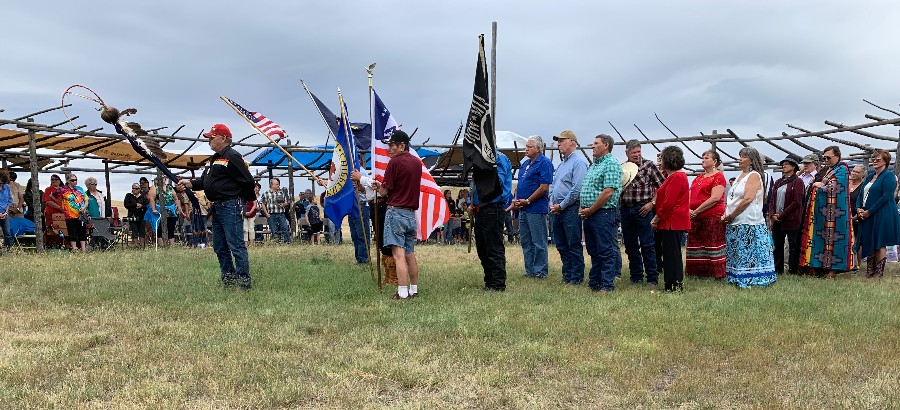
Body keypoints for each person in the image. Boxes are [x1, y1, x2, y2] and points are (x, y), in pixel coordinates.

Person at [178, 123, 256, 290]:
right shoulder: (213, 159)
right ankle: (229, 280)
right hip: (218, 207)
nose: (209, 141)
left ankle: (244, 284)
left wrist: (240, 198)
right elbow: (205, 182)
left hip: (230, 205)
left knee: (236, 245)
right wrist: (190, 183)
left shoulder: (232, 156)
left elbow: (248, 180)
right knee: (220, 246)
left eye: (212, 138)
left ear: (224, 138)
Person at [373, 130, 422, 300]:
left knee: (398, 254)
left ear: (402, 145)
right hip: (410, 213)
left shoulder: (394, 163)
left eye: (392, 145)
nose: (389, 149)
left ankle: (402, 292)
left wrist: (375, 185)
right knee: (410, 254)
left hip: (396, 211)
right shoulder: (417, 163)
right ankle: (414, 289)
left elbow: (385, 191)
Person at [722, 147, 776, 288]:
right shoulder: (740, 177)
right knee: (737, 251)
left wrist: (732, 214)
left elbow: (748, 199)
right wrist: (727, 214)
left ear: (751, 160)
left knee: (749, 251)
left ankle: (752, 278)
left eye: (743, 156)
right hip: (735, 221)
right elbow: (732, 199)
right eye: (739, 156)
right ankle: (736, 276)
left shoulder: (754, 175)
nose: (739, 159)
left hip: (748, 221)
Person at [799, 146, 853, 278]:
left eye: (829, 157)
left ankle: (833, 270)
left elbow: (835, 186)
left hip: (837, 214)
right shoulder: (828, 170)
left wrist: (820, 186)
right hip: (823, 213)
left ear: (837, 157)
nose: (826, 160)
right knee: (820, 241)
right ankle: (819, 267)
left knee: (837, 242)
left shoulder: (842, 169)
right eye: (824, 158)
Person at [579, 134, 622, 294]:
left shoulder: (611, 164)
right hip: (589, 213)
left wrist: (590, 209)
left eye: (596, 143)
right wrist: (584, 207)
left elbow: (608, 193)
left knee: (605, 250)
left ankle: (606, 285)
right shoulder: (594, 166)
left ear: (606, 145)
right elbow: (589, 189)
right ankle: (595, 282)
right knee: (593, 250)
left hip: (602, 213)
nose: (592, 146)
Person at [619, 139, 665, 287]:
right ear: (627, 153)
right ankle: (636, 276)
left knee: (647, 245)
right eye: (634, 152)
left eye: (639, 152)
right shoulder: (622, 168)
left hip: (643, 209)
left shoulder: (649, 165)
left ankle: (652, 278)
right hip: (625, 209)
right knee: (631, 246)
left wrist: (652, 203)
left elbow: (663, 187)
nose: (637, 155)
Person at [549, 130, 589, 285]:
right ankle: (567, 274)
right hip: (557, 209)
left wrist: (561, 205)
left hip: (570, 208)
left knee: (573, 243)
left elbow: (577, 189)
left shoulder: (579, 162)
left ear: (572, 142)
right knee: (561, 244)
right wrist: (552, 203)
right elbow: (554, 186)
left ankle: (576, 277)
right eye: (558, 141)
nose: (559, 143)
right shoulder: (562, 164)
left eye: (562, 140)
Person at [470, 151, 513, 291]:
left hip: (493, 207)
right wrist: (473, 203)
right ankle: (489, 281)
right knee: (482, 249)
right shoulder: (480, 159)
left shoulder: (498, 159)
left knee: (493, 248)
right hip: (481, 209)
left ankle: (498, 283)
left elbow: (495, 184)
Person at [513, 135, 554, 279]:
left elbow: (544, 187)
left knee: (538, 240)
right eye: (526, 147)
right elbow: (520, 183)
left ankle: (540, 271)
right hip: (523, 208)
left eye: (529, 147)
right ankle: (529, 270)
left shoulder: (544, 163)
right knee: (526, 240)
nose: (526, 149)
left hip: (536, 208)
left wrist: (528, 201)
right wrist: (516, 199)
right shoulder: (525, 164)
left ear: (538, 148)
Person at [856, 150, 900, 278]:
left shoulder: (889, 176)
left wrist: (869, 211)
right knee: (870, 239)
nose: (874, 161)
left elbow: (886, 197)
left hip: (883, 213)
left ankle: (878, 272)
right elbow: (861, 193)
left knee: (880, 242)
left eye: (877, 159)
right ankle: (870, 271)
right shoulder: (870, 176)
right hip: (867, 212)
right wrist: (859, 208)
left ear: (885, 162)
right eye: (873, 159)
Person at [651, 146, 690, 292]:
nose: (660, 160)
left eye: (662, 157)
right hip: (671, 221)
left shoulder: (676, 177)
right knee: (670, 253)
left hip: (672, 221)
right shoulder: (674, 176)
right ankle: (671, 283)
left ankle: (674, 285)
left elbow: (668, 202)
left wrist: (656, 218)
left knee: (672, 254)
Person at [685, 150, 727, 279]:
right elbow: (688, 196)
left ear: (714, 162)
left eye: (707, 158)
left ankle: (715, 273)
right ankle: (696, 273)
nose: (703, 160)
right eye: (702, 157)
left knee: (711, 244)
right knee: (695, 245)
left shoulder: (718, 176)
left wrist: (697, 211)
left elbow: (715, 198)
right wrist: (688, 210)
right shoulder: (698, 177)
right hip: (695, 218)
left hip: (711, 217)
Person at [767, 154, 806, 275]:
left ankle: (792, 269)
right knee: (777, 245)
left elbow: (797, 202)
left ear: (794, 166)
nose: (784, 166)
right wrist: (772, 214)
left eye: (787, 164)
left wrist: (782, 215)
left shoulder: (798, 182)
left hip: (791, 219)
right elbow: (772, 199)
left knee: (793, 245)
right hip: (777, 218)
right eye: (783, 164)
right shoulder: (778, 182)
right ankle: (778, 269)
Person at [52, 173, 89, 252]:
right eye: (72, 180)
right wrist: (62, 202)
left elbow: (86, 200)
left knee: (82, 231)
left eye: (76, 180)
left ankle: (83, 249)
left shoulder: (80, 189)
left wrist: (84, 207)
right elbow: (52, 196)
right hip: (70, 215)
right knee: (72, 231)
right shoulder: (63, 189)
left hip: (81, 214)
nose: (74, 182)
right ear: (68, 181)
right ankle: (74, 248)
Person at [347, 171, 373, 264]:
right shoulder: (347, 171)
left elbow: (369, 187)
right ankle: (359, 257)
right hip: (351, 205)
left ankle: (364, 258)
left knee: (362, 234)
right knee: (355, 235)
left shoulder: (362, 172)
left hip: (361, 204)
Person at [259, 178, 292, 244]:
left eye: (278, 184)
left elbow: (286, 202)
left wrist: (283, 204)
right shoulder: (266, 193)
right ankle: (277, 242)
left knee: (285, 227)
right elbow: (263, 204)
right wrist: (266, 213)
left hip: (281, 213)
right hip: (271, 214)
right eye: (277, 184)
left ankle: (287, 241)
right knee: (274, 229)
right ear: (272, 185)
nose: (278, 185)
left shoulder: (281, 193)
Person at [848, 164, 865, 265]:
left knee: (856, 241)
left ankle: (857, 264)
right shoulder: (846, 184)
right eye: (853, 171)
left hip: (856, 217)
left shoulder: (863, 187)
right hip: (845, 216)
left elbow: (863, 203)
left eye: (857, 172)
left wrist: (855, 218)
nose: (854, 173)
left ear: (862, 175)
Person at [124, 182, 148, 247]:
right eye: (133, 188)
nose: (134, 190)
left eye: (136, 188)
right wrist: (135, 205)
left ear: (139, 189)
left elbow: (146, 206)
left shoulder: (143, 196)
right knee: (134, 230)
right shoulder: (129, 195)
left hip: (142, 216)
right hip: (132, 215)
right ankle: (136, 245)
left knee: (142, 230)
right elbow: (126, 204)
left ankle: (142, 245)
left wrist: (141, 206)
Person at [43, 174, 65, 246]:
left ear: (59, 181)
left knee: (63, 228)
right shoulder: (48, 189)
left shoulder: (64, 190)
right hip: (51, 213)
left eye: (56, 179)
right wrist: (59, 207)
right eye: (52, 179)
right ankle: (51, 244)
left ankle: (62, 243)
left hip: (63, 213)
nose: (54, 181)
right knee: (52, 229)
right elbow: (48, 201)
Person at [0, 171, 12, 252]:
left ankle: (9, 249)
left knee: (7, 233)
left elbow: (9, 201)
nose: (1, 184)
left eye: (2, 183)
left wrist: (6, 212)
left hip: (4, 213)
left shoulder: (7, 187)